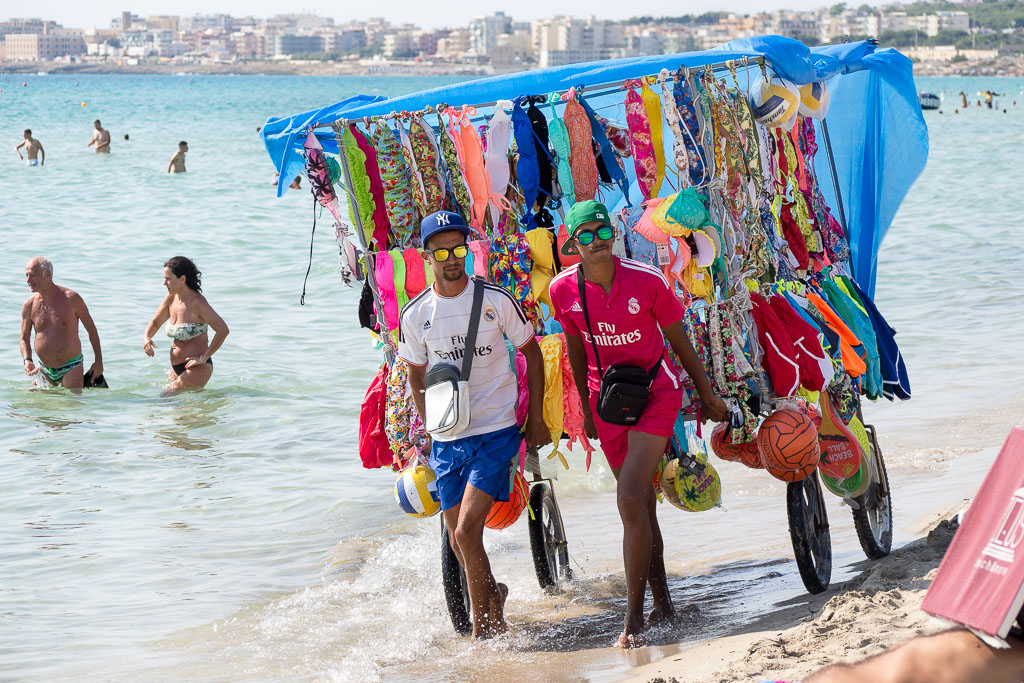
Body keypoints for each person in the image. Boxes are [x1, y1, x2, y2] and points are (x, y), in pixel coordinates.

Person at [548, 200, 729, 648]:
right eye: (585, 236)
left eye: (602, 231)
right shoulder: (562, 289)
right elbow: (574, 348)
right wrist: (586, 412)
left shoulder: (646, 280)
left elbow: (680, 342)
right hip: (607, 402)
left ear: (614, 233)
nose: (597, 242)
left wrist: (706, 395)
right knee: (642, 506)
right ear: (572, 244)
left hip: (657, 394)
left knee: (628, 496)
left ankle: (633, 619)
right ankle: (663, 599)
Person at [399, 210, 550, 639]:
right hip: (449, 438)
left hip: (496, 430)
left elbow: (532, 354)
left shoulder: (495, 299)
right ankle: (494, 597)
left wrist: (534, 417)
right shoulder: (415, 315)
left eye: (459, 249)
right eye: (441, 251)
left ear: (468, 250)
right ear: (426, 256)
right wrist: (429, 424)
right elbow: (415, 371)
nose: (451, 259)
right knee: (456, 541)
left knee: (467, 531)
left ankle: (485, 634)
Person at [142, 256, 229, 396]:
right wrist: (146, 337)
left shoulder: (197, 303)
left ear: (182, 279)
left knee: (164, 397)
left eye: (168, 279)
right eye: (164, 278)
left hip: (197, 367)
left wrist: (204, 357)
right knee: (181, 413)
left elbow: (223, 330)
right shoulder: (171, 298)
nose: (164, 283)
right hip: (175, 367)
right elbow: (155, 322)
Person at [20, 257, 103, 391]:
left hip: (71, 366)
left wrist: (98, 361)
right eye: (26, 275)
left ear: (47, 275)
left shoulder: (71, 299)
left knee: (70, 407)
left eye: (32, 276)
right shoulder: (29, 305)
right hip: (44, 368)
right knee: (37, 408)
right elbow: (24, 338)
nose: (28, 280)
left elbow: (91, 330)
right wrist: (27, 360)